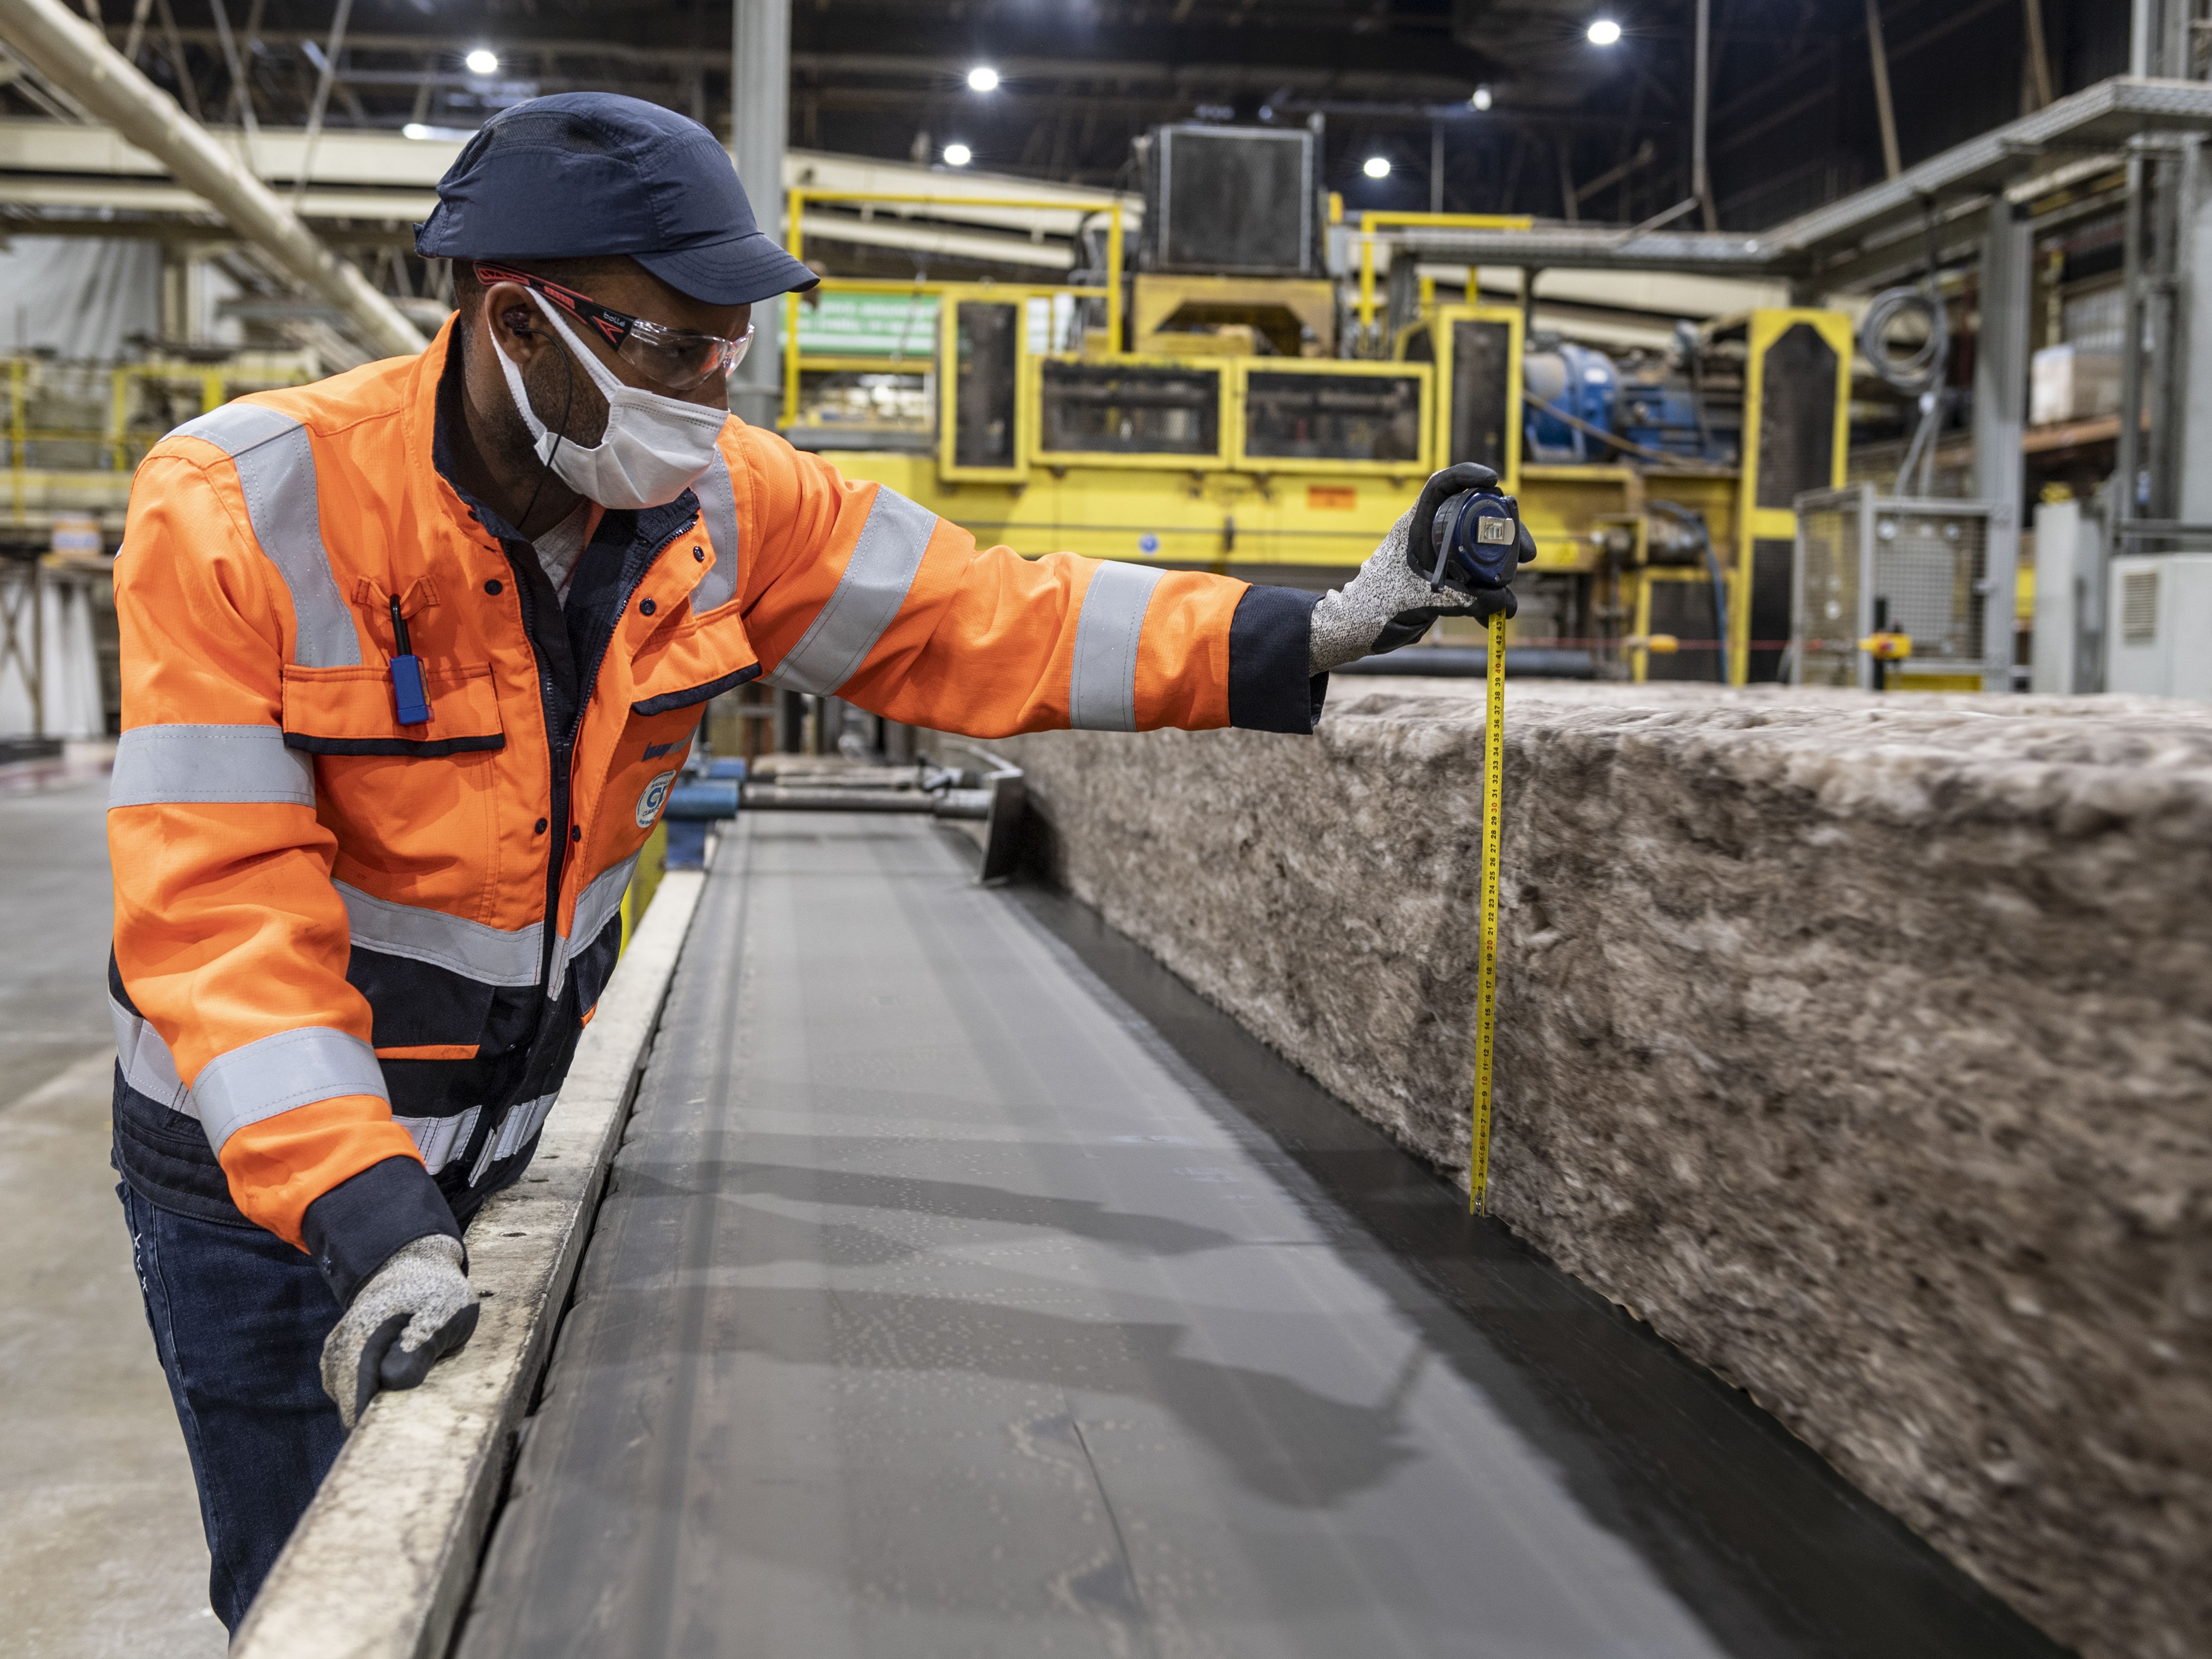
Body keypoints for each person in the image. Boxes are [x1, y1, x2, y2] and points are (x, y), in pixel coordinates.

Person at [105, 92, 1521, 1631]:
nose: (715, 390)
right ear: (518, 323)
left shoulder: (717, 503)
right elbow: (219, 905)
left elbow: (988, 617)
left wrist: (1303, 629)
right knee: (320, 1582)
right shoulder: (246, 500)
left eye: (734, 349)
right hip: (263, 1189)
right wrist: (360, 1211)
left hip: (492, 1137)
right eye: (675, 346)